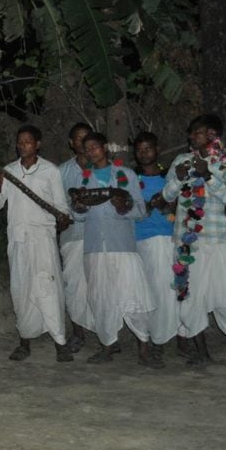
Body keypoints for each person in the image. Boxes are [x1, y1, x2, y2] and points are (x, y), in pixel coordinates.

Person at [161, 114, 226, 370]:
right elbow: (166, 195)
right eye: (191, 133)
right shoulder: (181, 160)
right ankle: (201, 352)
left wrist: (208, 175)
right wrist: (178, 179)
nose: (191, 137)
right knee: (189, 299)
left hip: (217, 241)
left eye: (196, 132)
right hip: (186, 244)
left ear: (212, 135)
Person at [69, 133, 159, 367]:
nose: (91, 152)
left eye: (94, 147)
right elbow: (78, 217)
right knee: (101, 299)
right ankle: (106, 346)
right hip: (95, 250)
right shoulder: (84, 180)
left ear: (105, 148)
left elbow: (141, 210)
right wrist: (77, 208)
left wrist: (123, 207)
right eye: (87, 149)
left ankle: (144, 348)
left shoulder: (125, 175)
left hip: (123, 248)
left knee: (135, 295)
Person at [0, 126, 74, 362]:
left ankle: (60, 343)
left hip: (43, 240)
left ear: (38, 144)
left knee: (48, 288)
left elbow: (62, 208)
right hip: (18, 241)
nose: (22, 145)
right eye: (19, 142)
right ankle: (24, 342)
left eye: (27, 142)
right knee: (21, 289)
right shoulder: (8, 171)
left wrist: (62, 221)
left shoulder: (50, 171)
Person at [133, 132, 180, 358]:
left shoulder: (168, 178)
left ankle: (165, 338)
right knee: (147, 291)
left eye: (148, 148)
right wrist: (146, 207)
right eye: (139, 149)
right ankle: (152, 337)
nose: (144, 153)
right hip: (138, 240)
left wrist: (165, 205)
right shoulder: (130, 177)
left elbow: (181, 208)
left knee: (166, 289)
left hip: (165, 239)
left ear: (157, 149)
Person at [57, 123, 95, 353]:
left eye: (86, 138)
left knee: (100, 284)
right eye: (77, 139)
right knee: (73, 285)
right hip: (73, 236)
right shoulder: (62, 171)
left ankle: (106, 334)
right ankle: (78, 332)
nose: (82, 143)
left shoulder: (104, 168)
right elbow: (57, 204)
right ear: (71, 143)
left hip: (100, 237)